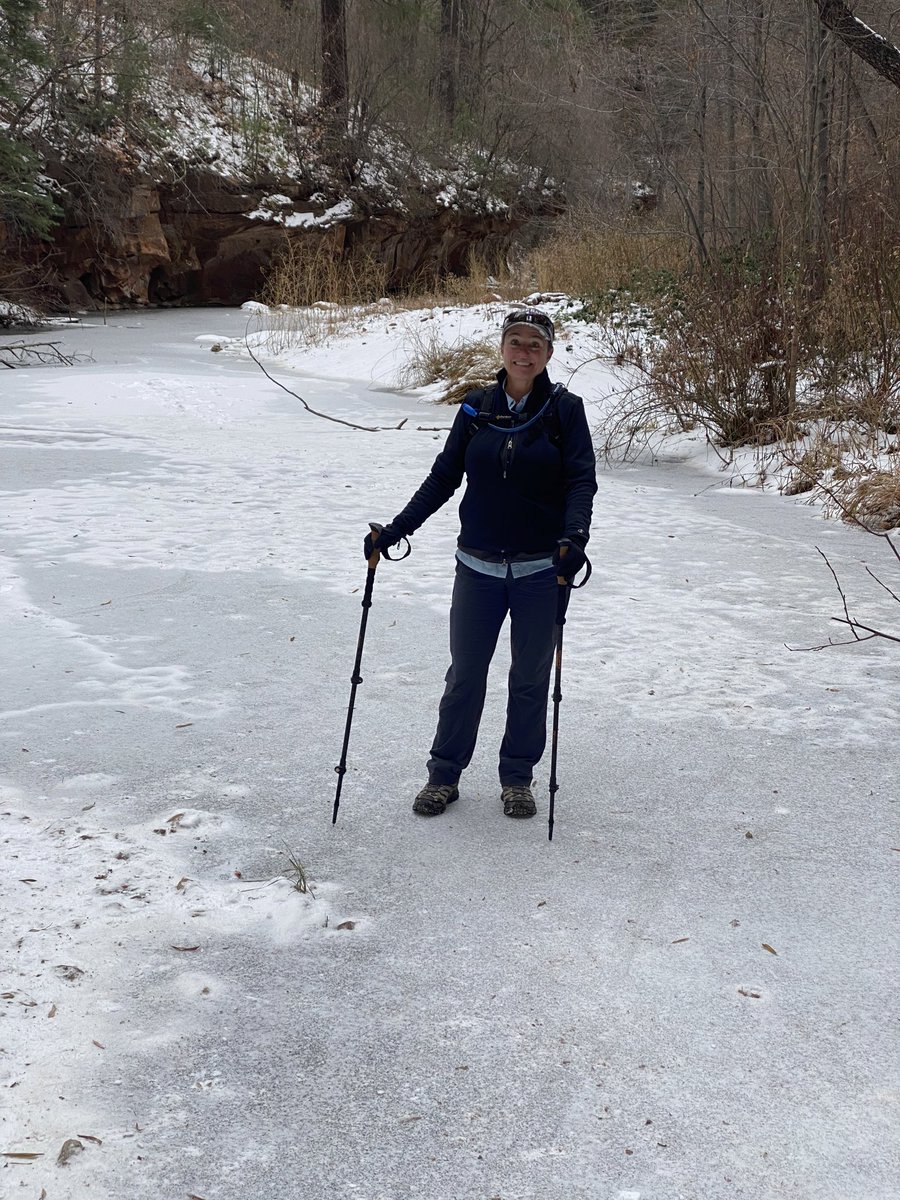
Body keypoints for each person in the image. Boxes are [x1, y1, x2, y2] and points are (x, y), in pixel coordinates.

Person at [364, 308, 597, 819]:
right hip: (478, 568)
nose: (524, 352)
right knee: (466, 675)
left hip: (542, 570)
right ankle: (443, 776)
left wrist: (574, 535)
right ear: (502, 349)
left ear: (549, 354)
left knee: (531, 678)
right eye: (515, 341)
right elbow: (444, 477)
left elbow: (581, 480)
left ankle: (517, 778)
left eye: (535, 344)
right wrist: (397, 529)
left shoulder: (565, 410)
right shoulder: (475, 408)